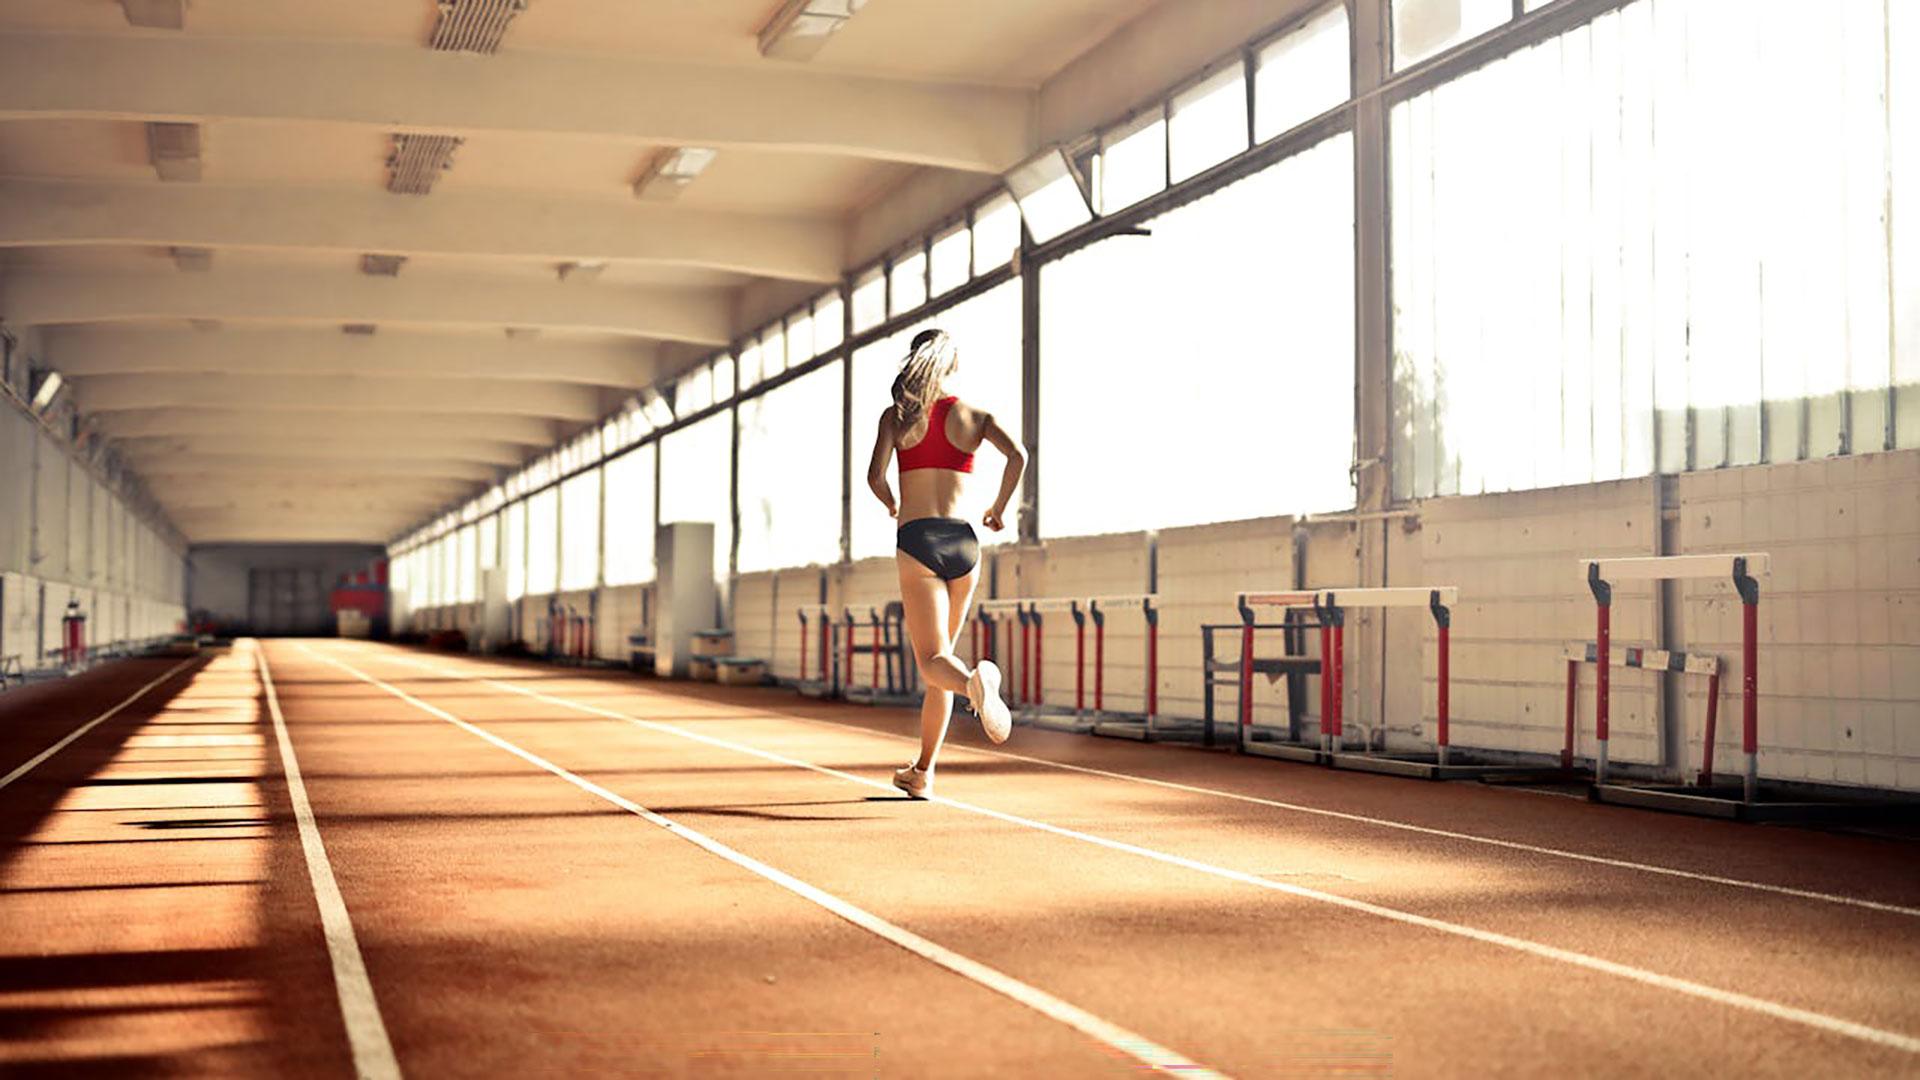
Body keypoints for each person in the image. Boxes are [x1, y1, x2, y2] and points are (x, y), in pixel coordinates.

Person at [866, 328, 1023, 798]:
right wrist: (999, 508)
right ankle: (923, 772)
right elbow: (1018, 455)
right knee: (942, 662)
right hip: (963, 543)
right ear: (952, 366)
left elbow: (874, 476)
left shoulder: (896, 418)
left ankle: (976, 683)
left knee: (934, 662)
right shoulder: (976, 416)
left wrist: (892, 500)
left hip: (918, 539)